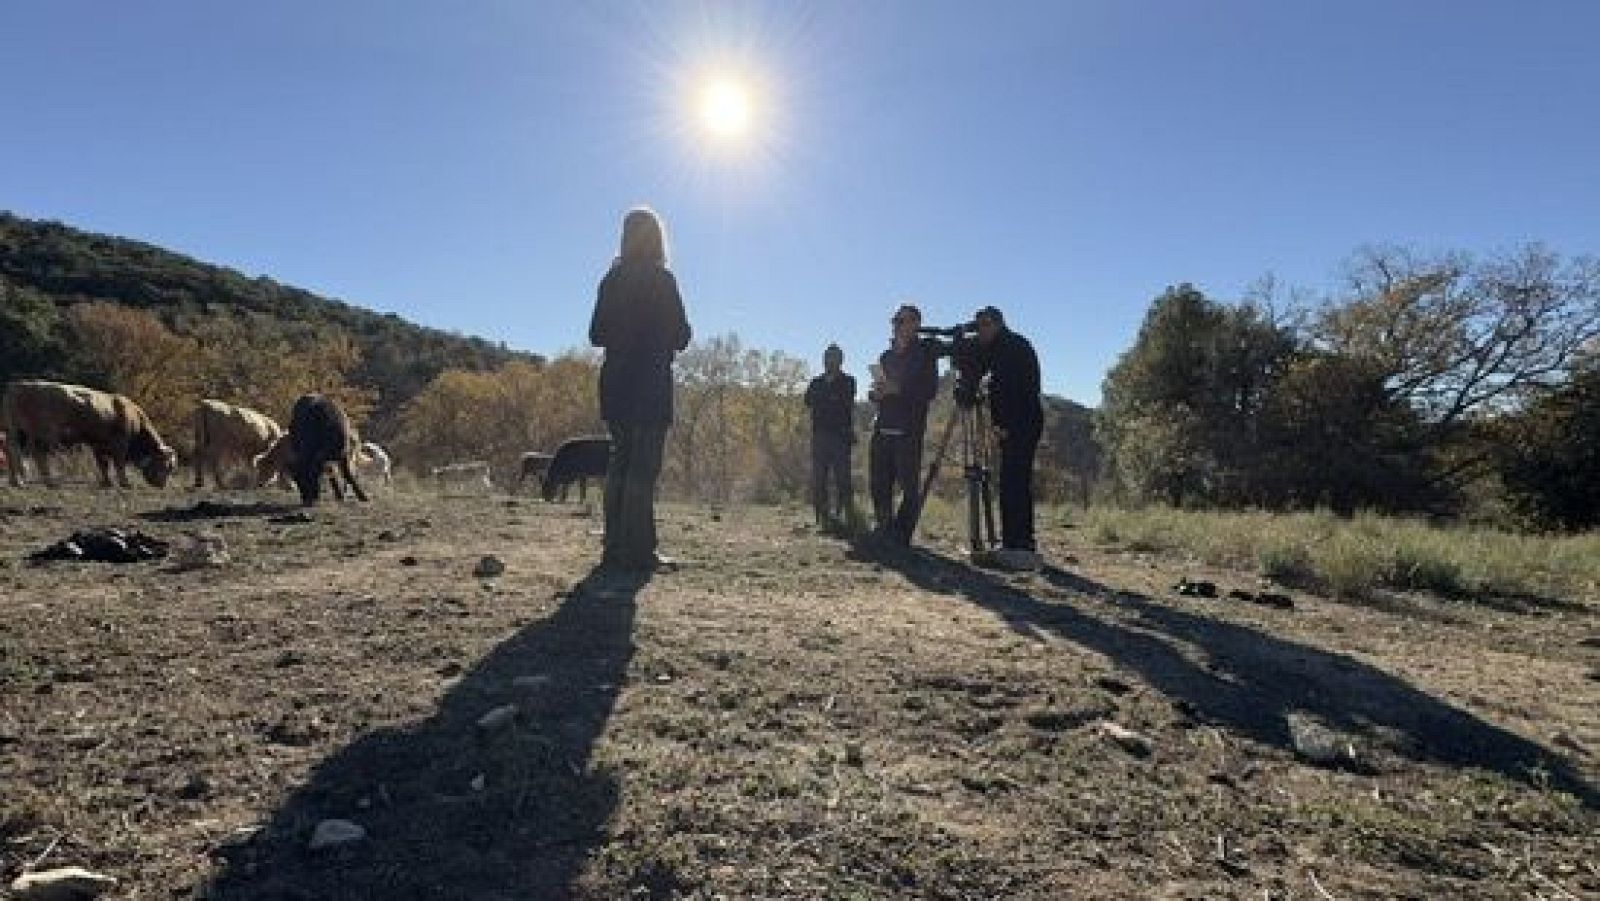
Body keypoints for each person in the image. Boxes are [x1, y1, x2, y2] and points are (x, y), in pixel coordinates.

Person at [589, 207, 692, 573]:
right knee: (643, 469)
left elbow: (596, 334)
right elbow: (682, 336)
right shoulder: (663, 281)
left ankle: (614, 547)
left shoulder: (610, 280)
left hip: (615, 381)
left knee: (619, 463)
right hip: (649, 383)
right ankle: (640, 552)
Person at [972, 305, 1043, 570]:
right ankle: (1014, 541)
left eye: (986, 324)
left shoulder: (1011, 348)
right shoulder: (1004, 347)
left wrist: (1004, 424)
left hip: (1021, 423)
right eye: (978, 325)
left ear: (999, 324)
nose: (981, 331)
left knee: (1015, 482)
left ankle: (1020, 544)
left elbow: (1010, 390)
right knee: (1011, 481)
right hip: (1020, 422)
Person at [868, 304, 940, 545]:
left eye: (903, 320)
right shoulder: (885, 357)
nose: (898, 325)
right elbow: (880, 390)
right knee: (879, 480)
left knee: (908, 484)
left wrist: (898, 389)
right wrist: (876, 393)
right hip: (883, 423)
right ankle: (883, 526)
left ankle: (902, 533)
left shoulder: (925, 354)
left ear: (916, 324)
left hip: (908, 427)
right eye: (896, 320)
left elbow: (929, 391)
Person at [803, 343, 856, 533]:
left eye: (834, 357)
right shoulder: (816, 382)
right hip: (819, 436)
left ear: (841, 360)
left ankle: (847, 517)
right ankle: (822, 518)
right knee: (819, 479)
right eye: (827, 357)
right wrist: (829, 398)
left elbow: (844, 402)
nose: (829, 361)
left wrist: (826, 399)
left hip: (841, 436)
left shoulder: (849, 381)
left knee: (843, 478)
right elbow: (808, 401)